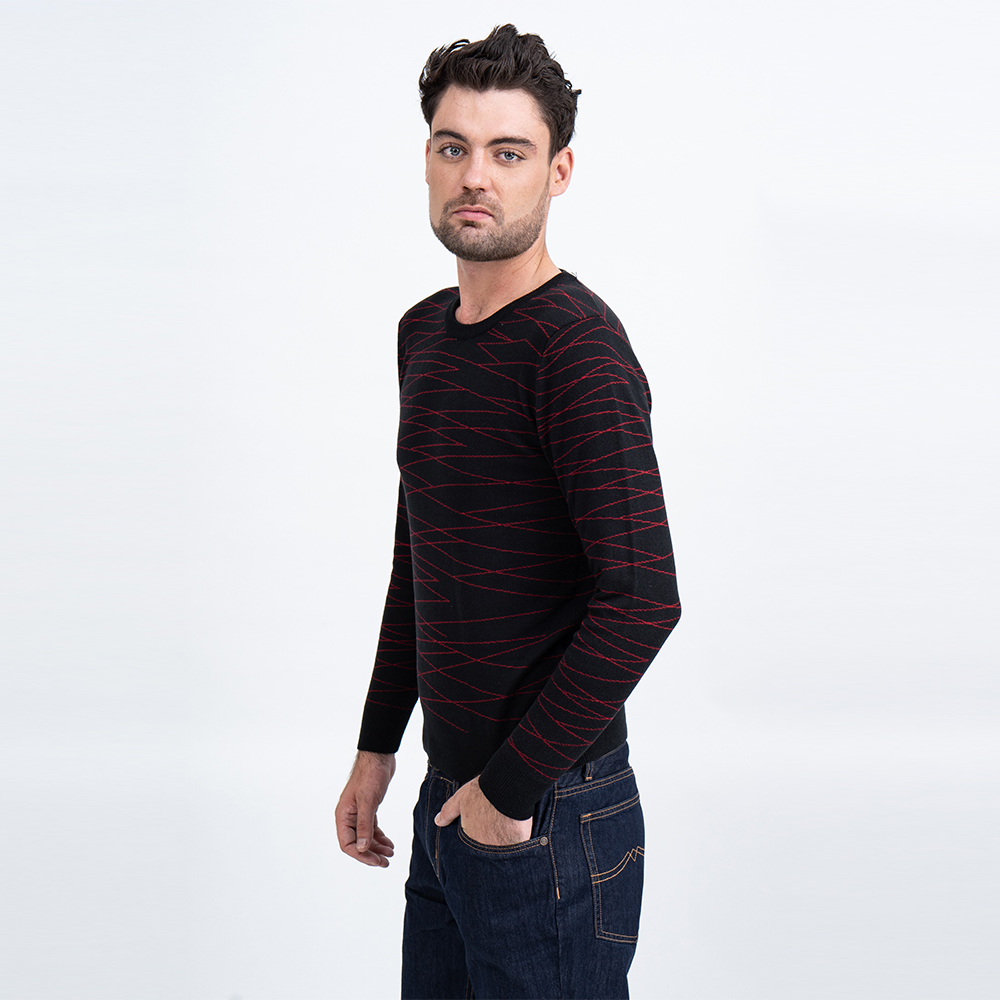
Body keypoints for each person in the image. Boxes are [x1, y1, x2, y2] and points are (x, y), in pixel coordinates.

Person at [335, 24, 681, 1000]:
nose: (475, 176)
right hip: (452, 797)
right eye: (454, 147)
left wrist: (509, 790)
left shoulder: (577, 351)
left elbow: (642, 599)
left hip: (549, 813)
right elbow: (420, 557)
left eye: (509, 152)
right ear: (427, 160)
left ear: (558, 172)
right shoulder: (423, 335)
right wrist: (377, 746)